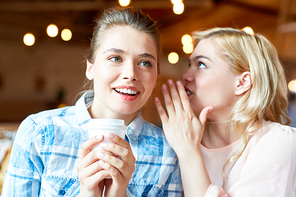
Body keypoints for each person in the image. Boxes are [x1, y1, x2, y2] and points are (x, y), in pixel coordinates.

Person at [2, 6, 183, 197]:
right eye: (115, 58)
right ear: (91, 68)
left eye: (145, 63)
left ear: (156, 75)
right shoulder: (39, 132)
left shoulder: (168, 152)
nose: (131, 74)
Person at [155, 27, 296, 196]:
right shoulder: (174, 139)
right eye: (189, 64)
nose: (185, 75)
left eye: (201, 64)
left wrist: (188, 153)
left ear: (242, 82)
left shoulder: (279, 141)